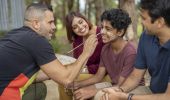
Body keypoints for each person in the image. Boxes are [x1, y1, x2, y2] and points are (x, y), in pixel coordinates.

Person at [0, 3, 98, 100]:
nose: (54, 27)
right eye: (50, 22)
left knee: (39, 88)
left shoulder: (14, 34)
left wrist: (54, 73)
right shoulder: (37, 40)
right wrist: (86, 53)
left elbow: (35, 75)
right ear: (36, 24)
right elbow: (66, 79)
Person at [101, 0, 170, 100]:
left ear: (160, 22)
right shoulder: (146, 37)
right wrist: (120, 90)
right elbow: (135, 77)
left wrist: (126, 97)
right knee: (106, 97)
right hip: (152, 92)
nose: (141, 21)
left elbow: (167, 97)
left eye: (144, 18)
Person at [71, 8, 143, 100]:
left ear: (120, 32)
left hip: (129, 88)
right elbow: (98, 76)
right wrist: (76, 84)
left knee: (99, 96)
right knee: (79, 91)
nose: (102, 32)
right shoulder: (105, 48)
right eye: (102, 27)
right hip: (113, 84)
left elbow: (121, 85)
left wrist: (94, 91)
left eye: (108, 29)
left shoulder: (130, 52)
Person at [58, 12, 105, 100]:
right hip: (86, 72)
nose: (80, 27)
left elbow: (106, 65)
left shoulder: (101, 35)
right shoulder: (77, 41)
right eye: (75, 27)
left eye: (80, 22)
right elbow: (77, 62)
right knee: (63, 81)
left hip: (100, 74)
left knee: (66, 83)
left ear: (85, 20)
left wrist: (86, 69)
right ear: (72, 30)